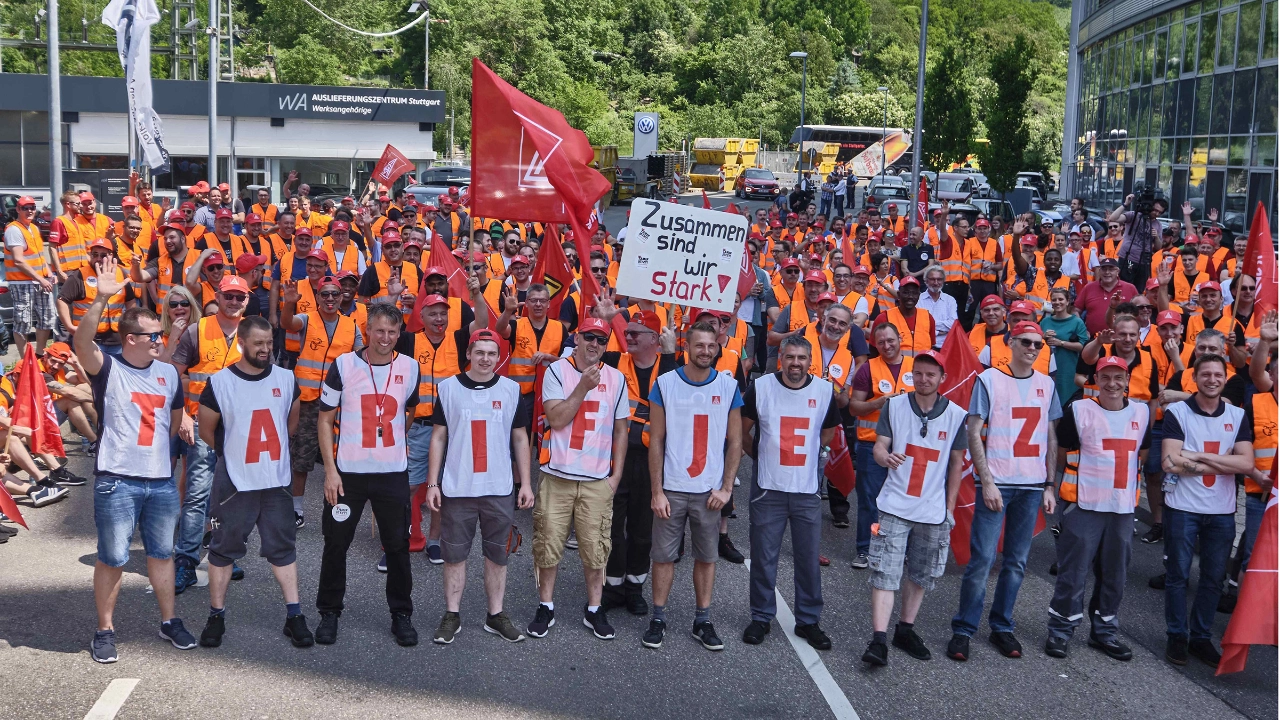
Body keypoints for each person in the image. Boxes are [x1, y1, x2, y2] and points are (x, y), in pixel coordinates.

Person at [73, 260, 192, 663]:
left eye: (161, 334)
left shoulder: (168, 374)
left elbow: (173, 422)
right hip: (118, 479)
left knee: (162, 554)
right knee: (113, 557)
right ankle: (104, 629)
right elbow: (81, 343)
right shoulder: (107, 368)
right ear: (129, 339)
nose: (160, 339)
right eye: (152, 335)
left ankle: (169, 620)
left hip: (159, 479)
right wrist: (102, 296)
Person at [196, 316, 312, 648]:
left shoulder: (286, 379)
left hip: (275, 479)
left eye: (269, 342)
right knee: (222, 548)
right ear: (242, 343)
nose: (265, 349)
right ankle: (216, 615)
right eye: (258, 343)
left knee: (283, 548)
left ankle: (294, 615)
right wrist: (231, 453)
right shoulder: (220, 382)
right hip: (234, 482)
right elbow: (207, 429)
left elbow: (291, 421)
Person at [948, 321, 1060, 662]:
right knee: (982, 560)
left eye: (1038, 345)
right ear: (1011, 343)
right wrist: (987, 479)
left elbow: (1052, 437)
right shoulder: (989, 379)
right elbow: (974, 431)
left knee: (1016, 563)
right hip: (997, 483)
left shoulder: (1047, 384)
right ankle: (963, 629)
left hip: (1030, 485)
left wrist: (1050, 484)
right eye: (1026, 342)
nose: (1032, 348)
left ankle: (1001, 625)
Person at [314, 303, 422, 647]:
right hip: (349, 475)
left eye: (392, 332)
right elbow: (324, 420)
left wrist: (387, 444)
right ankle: (329, 613)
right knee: (336, 545)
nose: (385, 338)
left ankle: (401, 615)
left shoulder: (411, 367)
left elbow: (408, 411)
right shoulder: (343, 365)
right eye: (379, 331)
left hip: (391, 474)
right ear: (367, 331)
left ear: (399, 333)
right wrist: (330, 471)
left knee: (397, 548)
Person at [424, 329, 534, 645]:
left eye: (492, 353)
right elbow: (439, 437)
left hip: (498, 488)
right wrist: (433, 483)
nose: (485, 359)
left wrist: (525, 482)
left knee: (498, 555)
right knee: (454, 555)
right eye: (480, 352)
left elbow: (520, 438)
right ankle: (452, 614)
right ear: (469, 354)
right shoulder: (448, 389)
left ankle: (495, 614)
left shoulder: (512, 390)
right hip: (458, 487)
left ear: (499, 358)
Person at [862, 350, 968, 666]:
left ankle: (905, 629)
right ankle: (878, 639)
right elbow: (880, 445)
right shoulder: (894, 405)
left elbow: (956, 465)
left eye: (930, 374)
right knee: (885, 570)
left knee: (922, 572)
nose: (923, 379)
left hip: (932, 509)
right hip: (895, 502)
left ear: (942, 378)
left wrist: (948, 509)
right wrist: (883, 457)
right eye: (918, 373)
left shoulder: (956, 415)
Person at [643, 322, 744, 651]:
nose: (705, 351)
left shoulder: (728, 387)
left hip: (708, 492)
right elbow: (655, 440)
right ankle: (658, 617)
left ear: (717, 348)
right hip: (672, 488)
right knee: (663, 557)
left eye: (710, 346)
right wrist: (657, 491)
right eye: (698, 345)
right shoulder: (665, 383)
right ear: (687, 346)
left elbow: (736, 441)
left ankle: (703, 619)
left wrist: (727, 489)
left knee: (707, 557)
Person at [528, 318, 630, 640]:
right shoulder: (558, 371)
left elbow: (621, 429)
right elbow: (556, 419)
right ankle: (546, 605)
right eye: (589, 337)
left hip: (597, 480)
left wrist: (616, 476)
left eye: (601, 340)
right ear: (577, 337)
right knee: (548, 544)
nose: (595, 345)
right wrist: (583, 386)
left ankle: (595, 609)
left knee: (595, 548)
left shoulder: (616, 378)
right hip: (558, 476)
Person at [1045, 355, 1150, 661]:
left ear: (1128, 380)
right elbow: (1061, 452)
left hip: (1121, 508)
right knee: (1073, 573)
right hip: (1084, 504)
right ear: (1096, 380)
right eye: (1106, 377)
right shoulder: (1079, 410)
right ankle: (1060, 630)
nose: (1112, 383)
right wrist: (1052, 488)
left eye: (1119, 377)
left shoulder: (1142, 413)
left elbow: (1141, 454)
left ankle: (1104, 631)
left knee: (1115, 573)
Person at [740, 335, 841, 649]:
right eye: (790, 357)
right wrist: (760, 458)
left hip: (805, 489)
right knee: (763, 557)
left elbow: (828, 431)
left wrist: (818, 454)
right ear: (780, 357)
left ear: (810, 361)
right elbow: (742, 431)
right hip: (768, 488)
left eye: (802, 358)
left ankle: (808, 620)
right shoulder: (761, 388)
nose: (795, 363)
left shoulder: (824, 392)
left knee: (808, 559)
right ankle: (760, 616)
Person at [1160, 354, 1254, 667]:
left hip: (1222, 511)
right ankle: (1177, 635)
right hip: (1182, 508)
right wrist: (1221, 462)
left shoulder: (1238, 416)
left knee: (1214, 578)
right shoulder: (1177, 411)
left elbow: (1247, 463)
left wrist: (1196, 456)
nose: (1212, 379)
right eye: (1206, 375)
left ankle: (1200, 636)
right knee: (1178, 575)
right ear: (1195, 378)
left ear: (1225, 379)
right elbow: (1169, 461)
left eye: (1218, 375)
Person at [170, 275, 251, 593]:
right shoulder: (197, 330)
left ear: (246, 300)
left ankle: (224, 555)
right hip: (203, 426)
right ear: (218, 295)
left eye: (239, 297)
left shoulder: (253, 332)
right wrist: (183, 419)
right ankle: (186, 562)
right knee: (197, 495)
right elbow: (172, 377)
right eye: (228, 296)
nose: (233, 302)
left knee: (232, 497)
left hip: (239, 429)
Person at [281, 277, 364, 529]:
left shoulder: (352, 326)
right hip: (307, 402)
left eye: (334, 294)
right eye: (324, 294)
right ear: (317, 297)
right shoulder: (306, 319)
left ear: (342, 297)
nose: (330, 299)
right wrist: (289, 303)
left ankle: (338, 507)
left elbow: (362, 357)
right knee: (301, 459)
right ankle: (296, 508)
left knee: (340, 458)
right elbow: (287, 323)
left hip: (339, 403)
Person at [848, 323, 916, 569]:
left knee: (906, 499)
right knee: (870, 500)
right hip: (871, 444)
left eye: (891, 340)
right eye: (881, 342)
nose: (887, 346)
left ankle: (903, 550)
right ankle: (866, 549)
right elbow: (854, 407)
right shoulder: (868, 369)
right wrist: (879, 403)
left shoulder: (915, 366)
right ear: (874, 344)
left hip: (909, 447)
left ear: (900, 338)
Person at [5, 196, 56, 357]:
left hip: (40, 281)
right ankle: (25, 360)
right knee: (23, 323)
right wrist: (41, 279)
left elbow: (39, 256)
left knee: (47, 318)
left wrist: (48, 273)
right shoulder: (14, 229)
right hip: (22, 283)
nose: (29, 211)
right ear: (18, 210)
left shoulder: (33, 228)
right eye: (25, 208)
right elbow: (19, 261)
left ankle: (39, 355)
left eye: (32, 207)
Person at [1040, 287, 1089, 406]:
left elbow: (1083, 347)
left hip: (1068, 368)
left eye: (1061, 299)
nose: (1057, 302)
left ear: (1068, 301)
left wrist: (1060, 343)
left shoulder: (1077, 322)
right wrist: (1043, 337)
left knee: (1067, 402)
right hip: (1048, 368)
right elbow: (1037, 345)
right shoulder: (1045, 322)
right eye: (1054, 300)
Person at [1106, 192, 1167, 288]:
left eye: (1160, 212)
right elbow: (1113, 218)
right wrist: (1125, 204)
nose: (1156, 213)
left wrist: (1156, 237)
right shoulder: (1134, 216)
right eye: (1155, 210)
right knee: (1123, 286)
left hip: (1144, 261)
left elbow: (1159, 247)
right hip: (1128, 257)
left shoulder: (1158, 225)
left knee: (1139, 288)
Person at [1075, 258, 1138, 336]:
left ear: (1117, 271)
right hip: (1093, 339)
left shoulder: (1130, 288)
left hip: (1122, 339)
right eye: (1104, 269)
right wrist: (1082, 329)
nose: (1107, 272)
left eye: (1111, 269)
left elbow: (1138, 312)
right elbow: (1076, 310)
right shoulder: (1088, 288)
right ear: (1099, 271)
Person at [918, 267, 958, 349]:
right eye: (932, 279)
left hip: (946, 347)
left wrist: (931, 327)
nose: (936, 283)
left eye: (939, 279)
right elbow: (919, 325)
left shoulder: (950, 300)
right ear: (926, 280)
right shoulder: (918, 300)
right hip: (925, 346)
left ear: (943, 281)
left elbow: (953, 324)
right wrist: (940, 331)